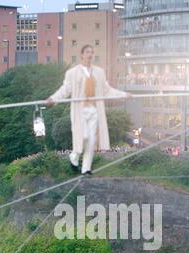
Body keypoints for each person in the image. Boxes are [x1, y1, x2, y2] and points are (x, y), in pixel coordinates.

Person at [47, 44, 131, 175]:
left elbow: (107, 90)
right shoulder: (72, 73)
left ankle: (86, 168)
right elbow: (65, 90)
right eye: (87, 52)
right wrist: (54, 98)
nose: (90, 55)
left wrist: (124, 95)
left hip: (94, 110)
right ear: (82, 55)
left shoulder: (99, 72)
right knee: (84, 136)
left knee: (92, 140)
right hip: (80, 110)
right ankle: (74, 156)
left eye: (91, 52)